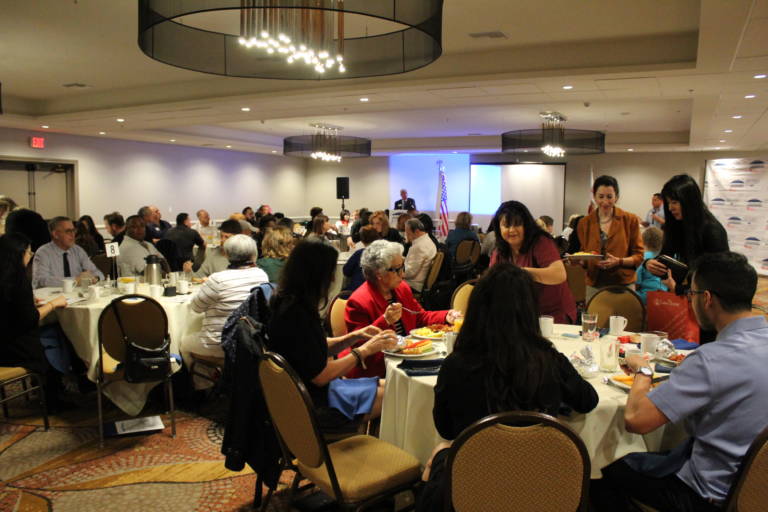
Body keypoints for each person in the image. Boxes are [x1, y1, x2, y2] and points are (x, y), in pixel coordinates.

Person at [592, 252, 768, 512]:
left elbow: (636, 420)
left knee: (601, 473)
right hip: (757, 489)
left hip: (709, 494)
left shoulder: (711, 360)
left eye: (692, 294)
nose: (689, 300)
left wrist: (644, 371)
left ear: (706, 299)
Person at [418, 263, 599, 512]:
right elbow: (588, 401)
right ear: (528, 310)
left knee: (439, 453)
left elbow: (446, 429)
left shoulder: (456, 365)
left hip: (474, 482)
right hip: (542, 480)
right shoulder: (548, 360)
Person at [267, 240, 398, 432]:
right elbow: (321, 376)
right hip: (314, 404)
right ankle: (381, 451)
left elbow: (312, 347)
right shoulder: (296, 315)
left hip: (310, 392)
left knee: (395, 386)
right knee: (398, 394)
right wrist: (363, 351)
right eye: (330, 274)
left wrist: (353, 337)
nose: (332, 280)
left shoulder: (288, 302)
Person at [344, 240, 460, 378]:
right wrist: (385, 320)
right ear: (378, 273)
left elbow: (419, 317)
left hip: (407, 358)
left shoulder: (401, 288)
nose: (403, 274)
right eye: (397, 269)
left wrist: (446, 315)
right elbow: (360, 348)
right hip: (378, 370)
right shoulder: (358, 301)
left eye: (402, 267)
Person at [0, 232, 69, 409]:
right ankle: (53, 397)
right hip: (15, 349)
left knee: (52, 333)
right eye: (29, 252)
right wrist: (54, 304)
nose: (30, 256)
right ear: (19, 254)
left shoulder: (5, 278)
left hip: (3, 341)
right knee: (54, 336)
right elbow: (30, 319)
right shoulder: (18, 281)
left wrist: (28, 304)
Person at [181, 235, 269, 367]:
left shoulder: (218, 279)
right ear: (254, 254)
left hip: (219, 343)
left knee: (183, 342)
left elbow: (196, 308)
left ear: (227, 255)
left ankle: (202, 385)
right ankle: (216, 379)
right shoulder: (262, 275)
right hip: (249, 342)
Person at [490, 201, 576, 324]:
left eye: (517, 224)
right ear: (498, 228)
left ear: (526, 224)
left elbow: (559, 274)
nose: (512, 230)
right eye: (506, 225)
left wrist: (521, 273)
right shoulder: (499, 251)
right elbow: (493, 283)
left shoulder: (541, 242)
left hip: (552, 315)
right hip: (520, 315)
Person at [645, 174, 729, 294]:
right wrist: (648, 264)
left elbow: (718, 278)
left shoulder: (712, 230)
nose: (670, 208)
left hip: (706, 297)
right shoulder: (677, 225)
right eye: (668, 203)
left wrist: (680, 289)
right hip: (686, 293)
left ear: (689, 201)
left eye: (674, 202)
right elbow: (665, 256)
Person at [576, 175, 644, 301]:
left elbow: (639, 256)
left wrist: (619, 261)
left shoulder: (630, 220)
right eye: (600, 197)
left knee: (626, 319)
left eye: (609, 197)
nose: (605, 202)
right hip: (594, 284)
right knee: (595, 319)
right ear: (594, 197)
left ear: (616, 197)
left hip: (623, 283)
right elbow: (585, 253)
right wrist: (579, 260)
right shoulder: (584, 223)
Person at [32, 216, 104, 288]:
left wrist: (95, 278)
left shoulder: (78, 250)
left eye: (73, 230)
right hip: (51, 297)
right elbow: (41, 280)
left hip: (77, 296)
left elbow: (98, 273)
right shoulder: (43, 253)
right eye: (68, 231)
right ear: (56, 234)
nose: (73, 235)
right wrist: (75, 280)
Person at [635, 227, 670, 304]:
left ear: (642, 240)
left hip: (646, 297)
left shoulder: (643, 258)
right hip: (664, 296)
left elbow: (636, 284)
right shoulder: (665, 258)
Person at [342, 225, 380, 293]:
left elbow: (346, 271)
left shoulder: (359, 253)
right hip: (378, 290)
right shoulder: (382, 253)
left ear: (362, 239)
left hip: (357, 291)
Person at [403, 218, 437, 293]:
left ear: (417, 231)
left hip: (414, 285)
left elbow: (410, 272)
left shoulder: (419, 247)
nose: (406, 236)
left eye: (408, 233)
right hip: (419, 282)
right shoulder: (428, 241)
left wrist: (396, 274)